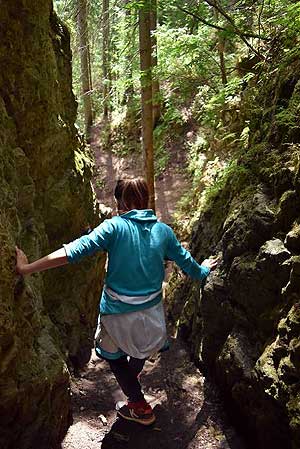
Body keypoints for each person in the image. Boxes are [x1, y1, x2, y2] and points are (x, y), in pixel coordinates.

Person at [16, 178, 217, 426]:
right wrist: (205, 271)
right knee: (140, 348)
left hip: (117, 314)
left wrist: (28, 268)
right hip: (151, 314)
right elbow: (189, 265)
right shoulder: (164, 231)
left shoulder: (113, 227)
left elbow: (74, 251)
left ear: (119, 201)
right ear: (146, 200)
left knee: (113, 357)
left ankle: (140, 406)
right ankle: (132, 386)